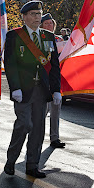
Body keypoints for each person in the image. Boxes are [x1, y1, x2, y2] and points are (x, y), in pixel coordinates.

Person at [3, 0, 62, 178]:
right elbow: (10, 63)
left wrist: (56, 89)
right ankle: (11, 159)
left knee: (38, 129)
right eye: (33, 14)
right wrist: (15, 87)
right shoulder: (15, 35)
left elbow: (54, 66)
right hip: (23, 90)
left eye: (39, 14)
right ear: (24, 17)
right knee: (24, 124)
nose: (37, 18)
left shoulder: (48, 37)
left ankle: (32, 165)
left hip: (41, 91)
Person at [40, 13, 66, 149]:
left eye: (51, 23)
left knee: (56, 109)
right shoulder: (39, 38)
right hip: (44, 79)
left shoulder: (58, 39)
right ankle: (37, 135)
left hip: (56, 79)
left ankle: (54, 137)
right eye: (46, 23)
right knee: (42, 111)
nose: (49, 25)